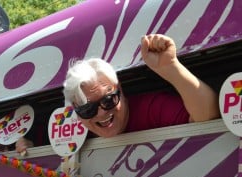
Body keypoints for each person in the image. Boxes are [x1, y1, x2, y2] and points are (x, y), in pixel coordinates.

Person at [63, 34, 219, 138]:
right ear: (77, 113)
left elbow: (208, 117)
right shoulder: (74, 135)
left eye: (108, 100)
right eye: (87, 110)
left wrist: (171, 68)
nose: (101, 113)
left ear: (120, 90)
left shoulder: (152, 108)